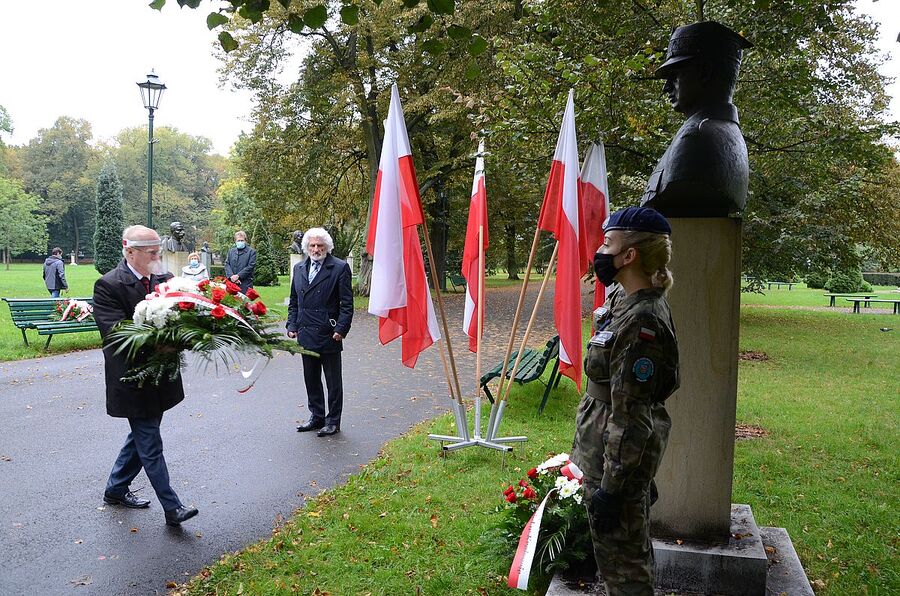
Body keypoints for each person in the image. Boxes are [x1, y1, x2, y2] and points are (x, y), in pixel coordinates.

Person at [571, 207, 680, 595]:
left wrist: (613, 489)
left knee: (625, 570)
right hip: (606, 454)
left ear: (629, 255)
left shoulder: (642, 322)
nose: (600, 251)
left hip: (615, 463)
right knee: (620, 554)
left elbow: (631, 415)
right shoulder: (623, 297)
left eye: (608, 243)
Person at [92, 225, 198, 527]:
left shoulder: (164, 280)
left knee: (140, 436)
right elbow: (117, 334)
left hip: (160, 376)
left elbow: (183, 315)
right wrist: (159, 340)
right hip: (132, 379)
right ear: (130, 252)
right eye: (152, 252)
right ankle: (172, 507)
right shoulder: (109, 285)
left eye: (158, 252)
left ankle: (115, 489)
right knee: (150, 441)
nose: (157, 257)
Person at [639, 21, 753, 217]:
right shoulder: (722, 134)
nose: (666, 87)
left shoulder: (697, 138)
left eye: (674, 76)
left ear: (704, 72)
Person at [287, 227, 353, 437]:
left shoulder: (339, 268)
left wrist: (341, 329)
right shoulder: (299, 269)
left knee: (333, 381)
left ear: (327, 247)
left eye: (320, 245)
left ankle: (333, 420)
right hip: (306, 332)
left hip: (328, 332)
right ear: (307, 247)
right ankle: (317, 416)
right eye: (312, 245)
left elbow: (347, 304)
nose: (316, 249)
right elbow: (294, 301)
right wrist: (291, 325)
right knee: (311, 378)